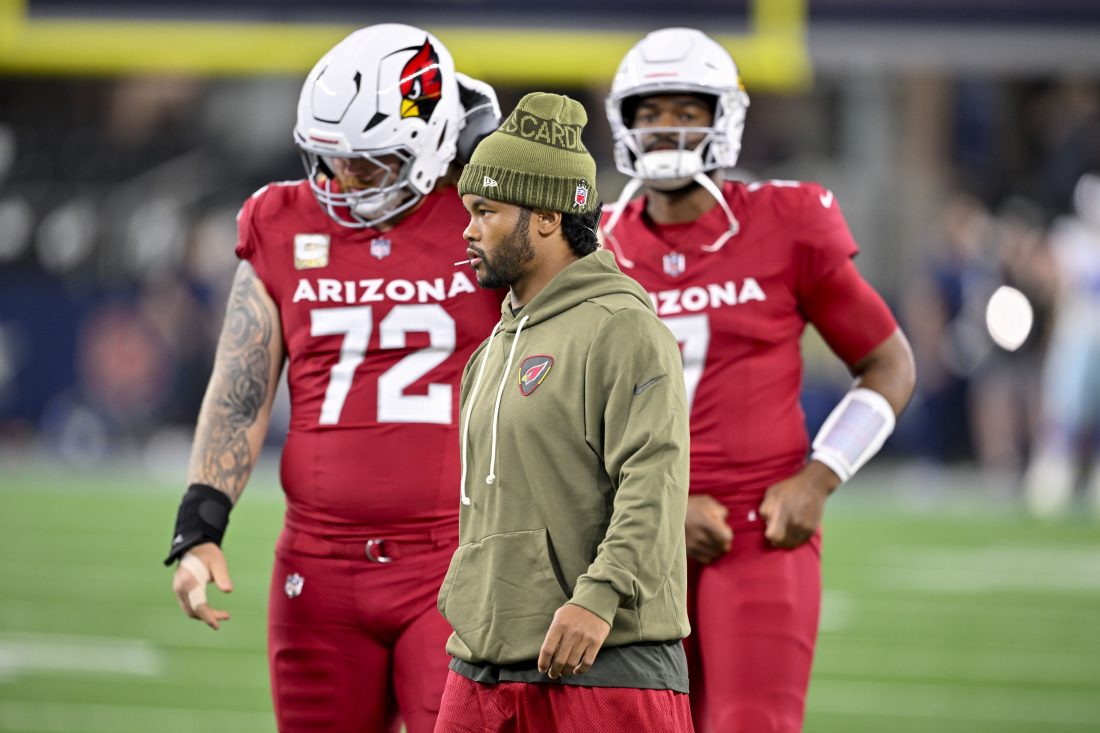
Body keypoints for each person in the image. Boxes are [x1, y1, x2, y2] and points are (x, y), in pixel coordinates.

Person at [162, 24, 504, 733]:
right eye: (331, 160)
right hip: (315, 570)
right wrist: (199, 524)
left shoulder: (490, 218)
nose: (343, 183)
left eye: (370, 163)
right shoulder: (281, 220)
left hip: (456, 558)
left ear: (432, 141)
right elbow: (240, 388)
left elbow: (594, 318)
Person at [601, 28, 917, 733]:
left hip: (756, 529)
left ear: (724, 119)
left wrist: (818, 476)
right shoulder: (589, 247)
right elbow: (564, 412)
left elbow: (890, 363)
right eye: (652, 112)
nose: (667, 130)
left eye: (688, 112)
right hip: (626, 534)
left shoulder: (785, 223)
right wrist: (656, 503)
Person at [434, 92, 695, 733]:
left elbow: (654, 481)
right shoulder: (494, 344)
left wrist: (599, 599)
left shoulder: (623, 327)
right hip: (481, 662)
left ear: (548, 217)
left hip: (600, 662)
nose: (467, 230)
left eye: (485, 211)